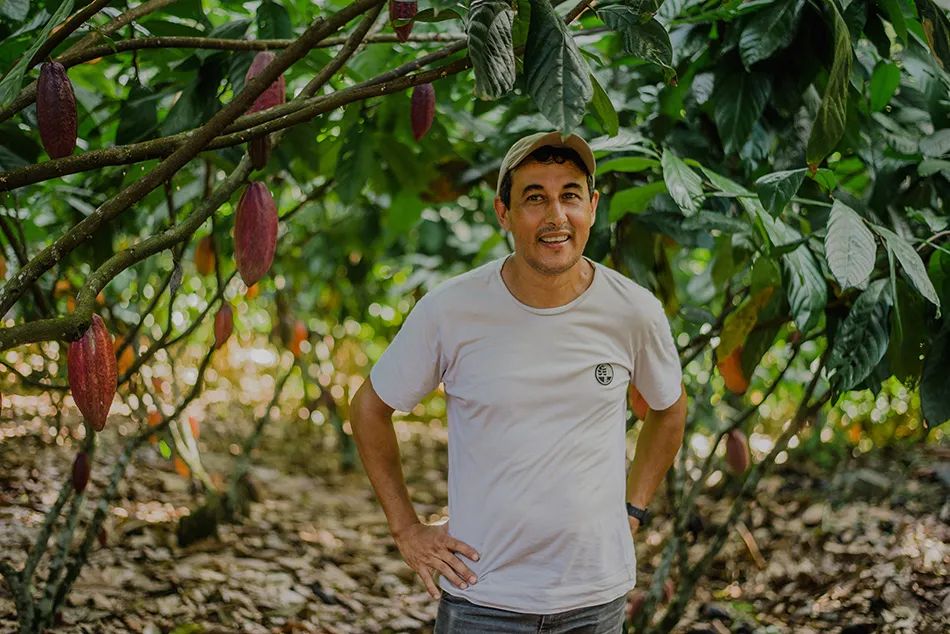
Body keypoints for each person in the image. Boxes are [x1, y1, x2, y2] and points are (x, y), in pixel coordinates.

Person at [350, 131, 687, 633]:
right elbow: (369, 409)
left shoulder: (633, 310)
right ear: (503, 213)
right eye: (535, 198)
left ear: (592, 208)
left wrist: (632, 509)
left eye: (570, 195)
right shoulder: (452, 309)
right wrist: (406, 529)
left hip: (594, 598)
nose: (556, 216)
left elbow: (669, 407)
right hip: (482, 597)